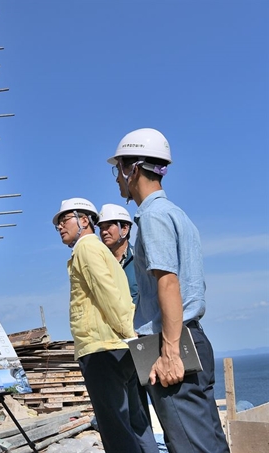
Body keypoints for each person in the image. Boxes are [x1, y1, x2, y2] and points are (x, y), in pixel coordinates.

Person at [108, 127, 229, 453]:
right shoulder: (177, 214)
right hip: (192, 338)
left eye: (117, 168)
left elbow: (168, 282)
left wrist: (169, 353)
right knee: (210, 443)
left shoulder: (152, 217)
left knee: (190, 446)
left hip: (170, 342)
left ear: (132, 169)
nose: (116, 179)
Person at [54, 198, 158, 453]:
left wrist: (127, 332)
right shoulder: (103, 252)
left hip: (101, 350)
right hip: (119, 348)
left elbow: (107, 293)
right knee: (135, 423)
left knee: (115, 430)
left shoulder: (86, 249)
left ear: (84, 220)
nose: (59, 226)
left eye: (65, 219)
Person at [98, 204, 153, 424]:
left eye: (109, 225)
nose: (103, 231)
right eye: (100, 227)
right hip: (119, 348)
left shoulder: (141, 258)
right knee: (135, 413)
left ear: (125, 229)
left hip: (145, 342)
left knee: (163, 405)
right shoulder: (101, 264)